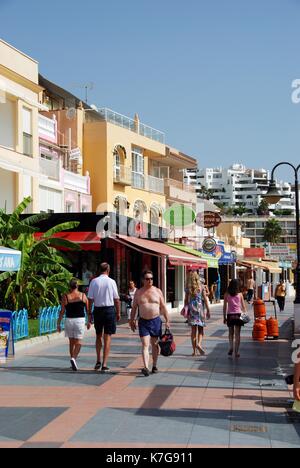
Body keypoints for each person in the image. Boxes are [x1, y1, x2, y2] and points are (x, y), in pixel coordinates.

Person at [129, 270, 170, 377]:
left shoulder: (158, 291)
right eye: (147, 279)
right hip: (143, 321)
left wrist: (167, 321)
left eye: (151, 278)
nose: (150, 280)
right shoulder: (138, 292)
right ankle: (146, 367)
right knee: (145, 344)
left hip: (155, 320)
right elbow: (134, 308)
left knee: (155, 344)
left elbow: (163, 307)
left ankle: (154, 365)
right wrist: (132, 320)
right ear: (143, 280)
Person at [88, 263, 121, 373]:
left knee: (98, 336)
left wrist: (89, 313)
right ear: (108, 270)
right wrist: (118, 312)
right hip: (109, 310)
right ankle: (104, 364)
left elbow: (90, 299)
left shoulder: (94, 281)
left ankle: (98, 360)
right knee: (107, 337)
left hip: (97, 310)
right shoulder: (111, 282)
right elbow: (116, 299)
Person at [57, 279, 89, 371]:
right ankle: (73, 358)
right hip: (79, 320)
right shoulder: (83, 296)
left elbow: (62, 311)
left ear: (69, 286)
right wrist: (89, 321)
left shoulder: (65, 296)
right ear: (77, 286)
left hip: (69, 320)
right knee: (79, 342)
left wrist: (58, 323)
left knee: (71, 342)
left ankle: (72, 362)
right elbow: (87, 310)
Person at [185, 271, 211, 357]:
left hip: (192, 310)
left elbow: (185, 300)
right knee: (200, 330)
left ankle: (194, 351)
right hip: (200, 310)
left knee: (193, 331)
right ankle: (199, 344)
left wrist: (185, 308)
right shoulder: (202, 287)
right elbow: (205, 299)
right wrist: (208, 310)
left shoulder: (188, 288)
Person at [223, 279, 247, 358]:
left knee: (231, 333)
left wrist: (224, 317)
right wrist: (245, 315)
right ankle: (236, 352)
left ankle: (231, 347)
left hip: (230, 315)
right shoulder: (240, 295)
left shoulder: (226, 294)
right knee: (237, 334)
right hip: (238, 314)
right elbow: (243, 307)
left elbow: (224, 307)